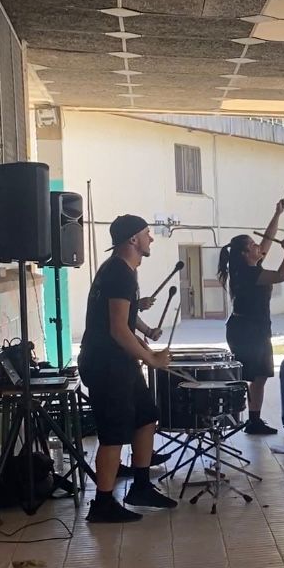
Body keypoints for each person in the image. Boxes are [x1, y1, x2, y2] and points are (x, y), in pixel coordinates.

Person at [78, 214, 177, 522]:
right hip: (106, 364)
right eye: (147, 233)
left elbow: (124, 319)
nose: (151, 238)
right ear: (133, 239)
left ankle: (141, 486)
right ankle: (102, 504)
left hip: (119, 361)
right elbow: (118, 329)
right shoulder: (120, 273)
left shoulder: (120, 270)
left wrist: (145, 341)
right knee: (113, 434)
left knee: (146, 417)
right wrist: (151, 359)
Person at [217, 197, 284, 435]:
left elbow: (267, 239)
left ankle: (253, 420)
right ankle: (237, 416)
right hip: (247, 330)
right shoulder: (249, 274)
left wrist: (277, 214)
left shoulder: (250, 267)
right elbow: (282, 275)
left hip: (253, 327)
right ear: (244, 253)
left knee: (259, 375)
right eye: (252, 245)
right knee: (251, 374)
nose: (258, 247)